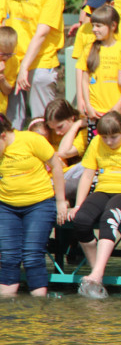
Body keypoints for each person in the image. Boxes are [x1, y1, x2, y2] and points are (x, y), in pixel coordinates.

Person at [68, 111, 121, 298]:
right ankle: (97, 271)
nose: (109, 142)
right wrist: (77, 205)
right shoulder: (96, 143)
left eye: (114, 137)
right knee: (81, 220)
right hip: (104, 189)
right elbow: (87, 176)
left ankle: (97, 274)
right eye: (104, 137)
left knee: (109, 217)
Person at [0, 114, 66, 297]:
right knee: (8, 257)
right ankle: (7, 303)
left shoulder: (31, 140)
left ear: (3, 135)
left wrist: (61, 201)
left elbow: (56, 166)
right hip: (6, 206)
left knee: (32, 256)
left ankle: (38, 308)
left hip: (39, 204)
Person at [6, 0, 65, 128]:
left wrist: (25, 67)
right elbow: (7, 20)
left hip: (40, 61)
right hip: (13, 58)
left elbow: (41, 34)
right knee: (11, 121)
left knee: (42, 121)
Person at [77, 4, 121, 122]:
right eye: (93, 25)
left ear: (113, 26)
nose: (94, 29)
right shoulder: (89, 48)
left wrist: (118, 105)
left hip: (116, 112)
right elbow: (85, 80)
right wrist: (88, 106)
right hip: (95, 112)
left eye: (98, 26)